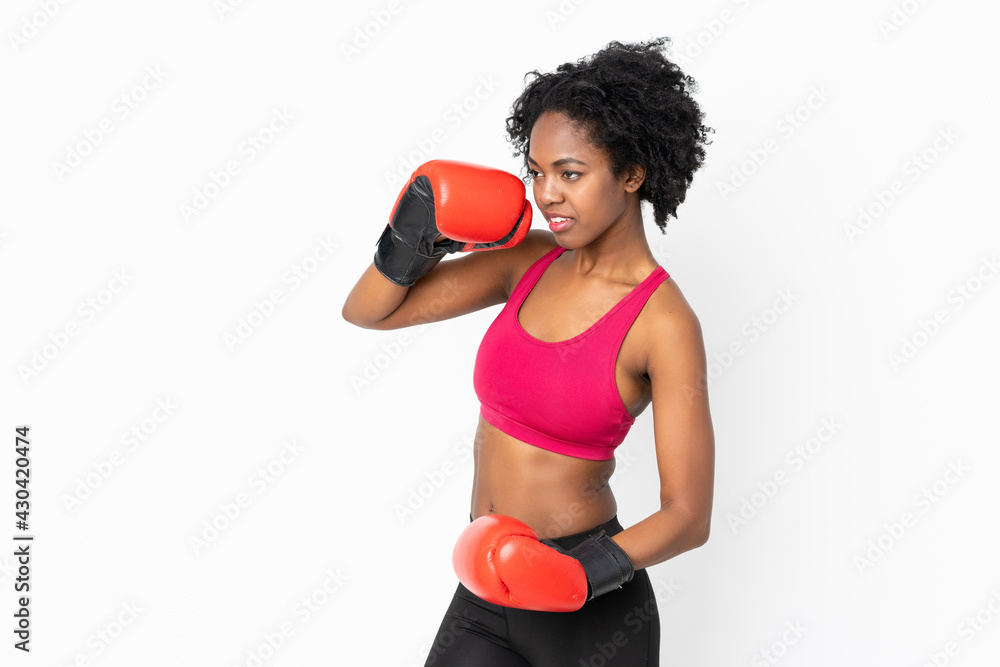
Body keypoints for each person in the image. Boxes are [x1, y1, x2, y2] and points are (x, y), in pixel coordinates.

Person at [342, 36, 715, 666]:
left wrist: (581, 576)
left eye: (570, 173)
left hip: (591, 611)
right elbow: (370, 312)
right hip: (484, 592)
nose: (546, 194)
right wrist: (415, 238)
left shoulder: (663, 321)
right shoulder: (529, 262)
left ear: (631, 173)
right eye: (537, 172)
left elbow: (688, 515)